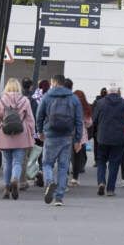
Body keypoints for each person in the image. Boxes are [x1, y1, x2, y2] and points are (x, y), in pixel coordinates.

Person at [35, 74, 83, 206]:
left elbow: (39, 115)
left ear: (54, 82)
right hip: (67, 136)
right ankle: (59, 198)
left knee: (47, 164)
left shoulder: (47, 96)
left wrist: (40, 132)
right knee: (63, 167)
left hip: (50, 135)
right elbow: (79, 120)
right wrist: (78, 140)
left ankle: (50, 182)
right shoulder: (73, 98)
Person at [0, 78, 36, 200]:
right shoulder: (25, 101)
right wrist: (32, 134)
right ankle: (15, 179)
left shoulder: (0, 102)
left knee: (7, 163)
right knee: (17, 162)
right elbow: (30, 120)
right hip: (21, 135)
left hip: (5, 134)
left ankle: (7, 188)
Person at [92, 84, 124, 196]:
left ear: (108, 92)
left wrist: (95, 133)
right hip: (118, 138)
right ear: (117, 92)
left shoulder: (100, 103)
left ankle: (101, 182)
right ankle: (110, 189)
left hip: (102, 137)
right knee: (114, 163)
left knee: (101, 161)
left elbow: (94, 120)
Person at [70, 89, 93, 185]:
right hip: (80, 135)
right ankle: (75, 178)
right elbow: (89, 123)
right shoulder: (86, 107)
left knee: (67, 157)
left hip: (68, 133)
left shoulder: (70, 105)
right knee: (77, 157)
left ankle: (64, 176)